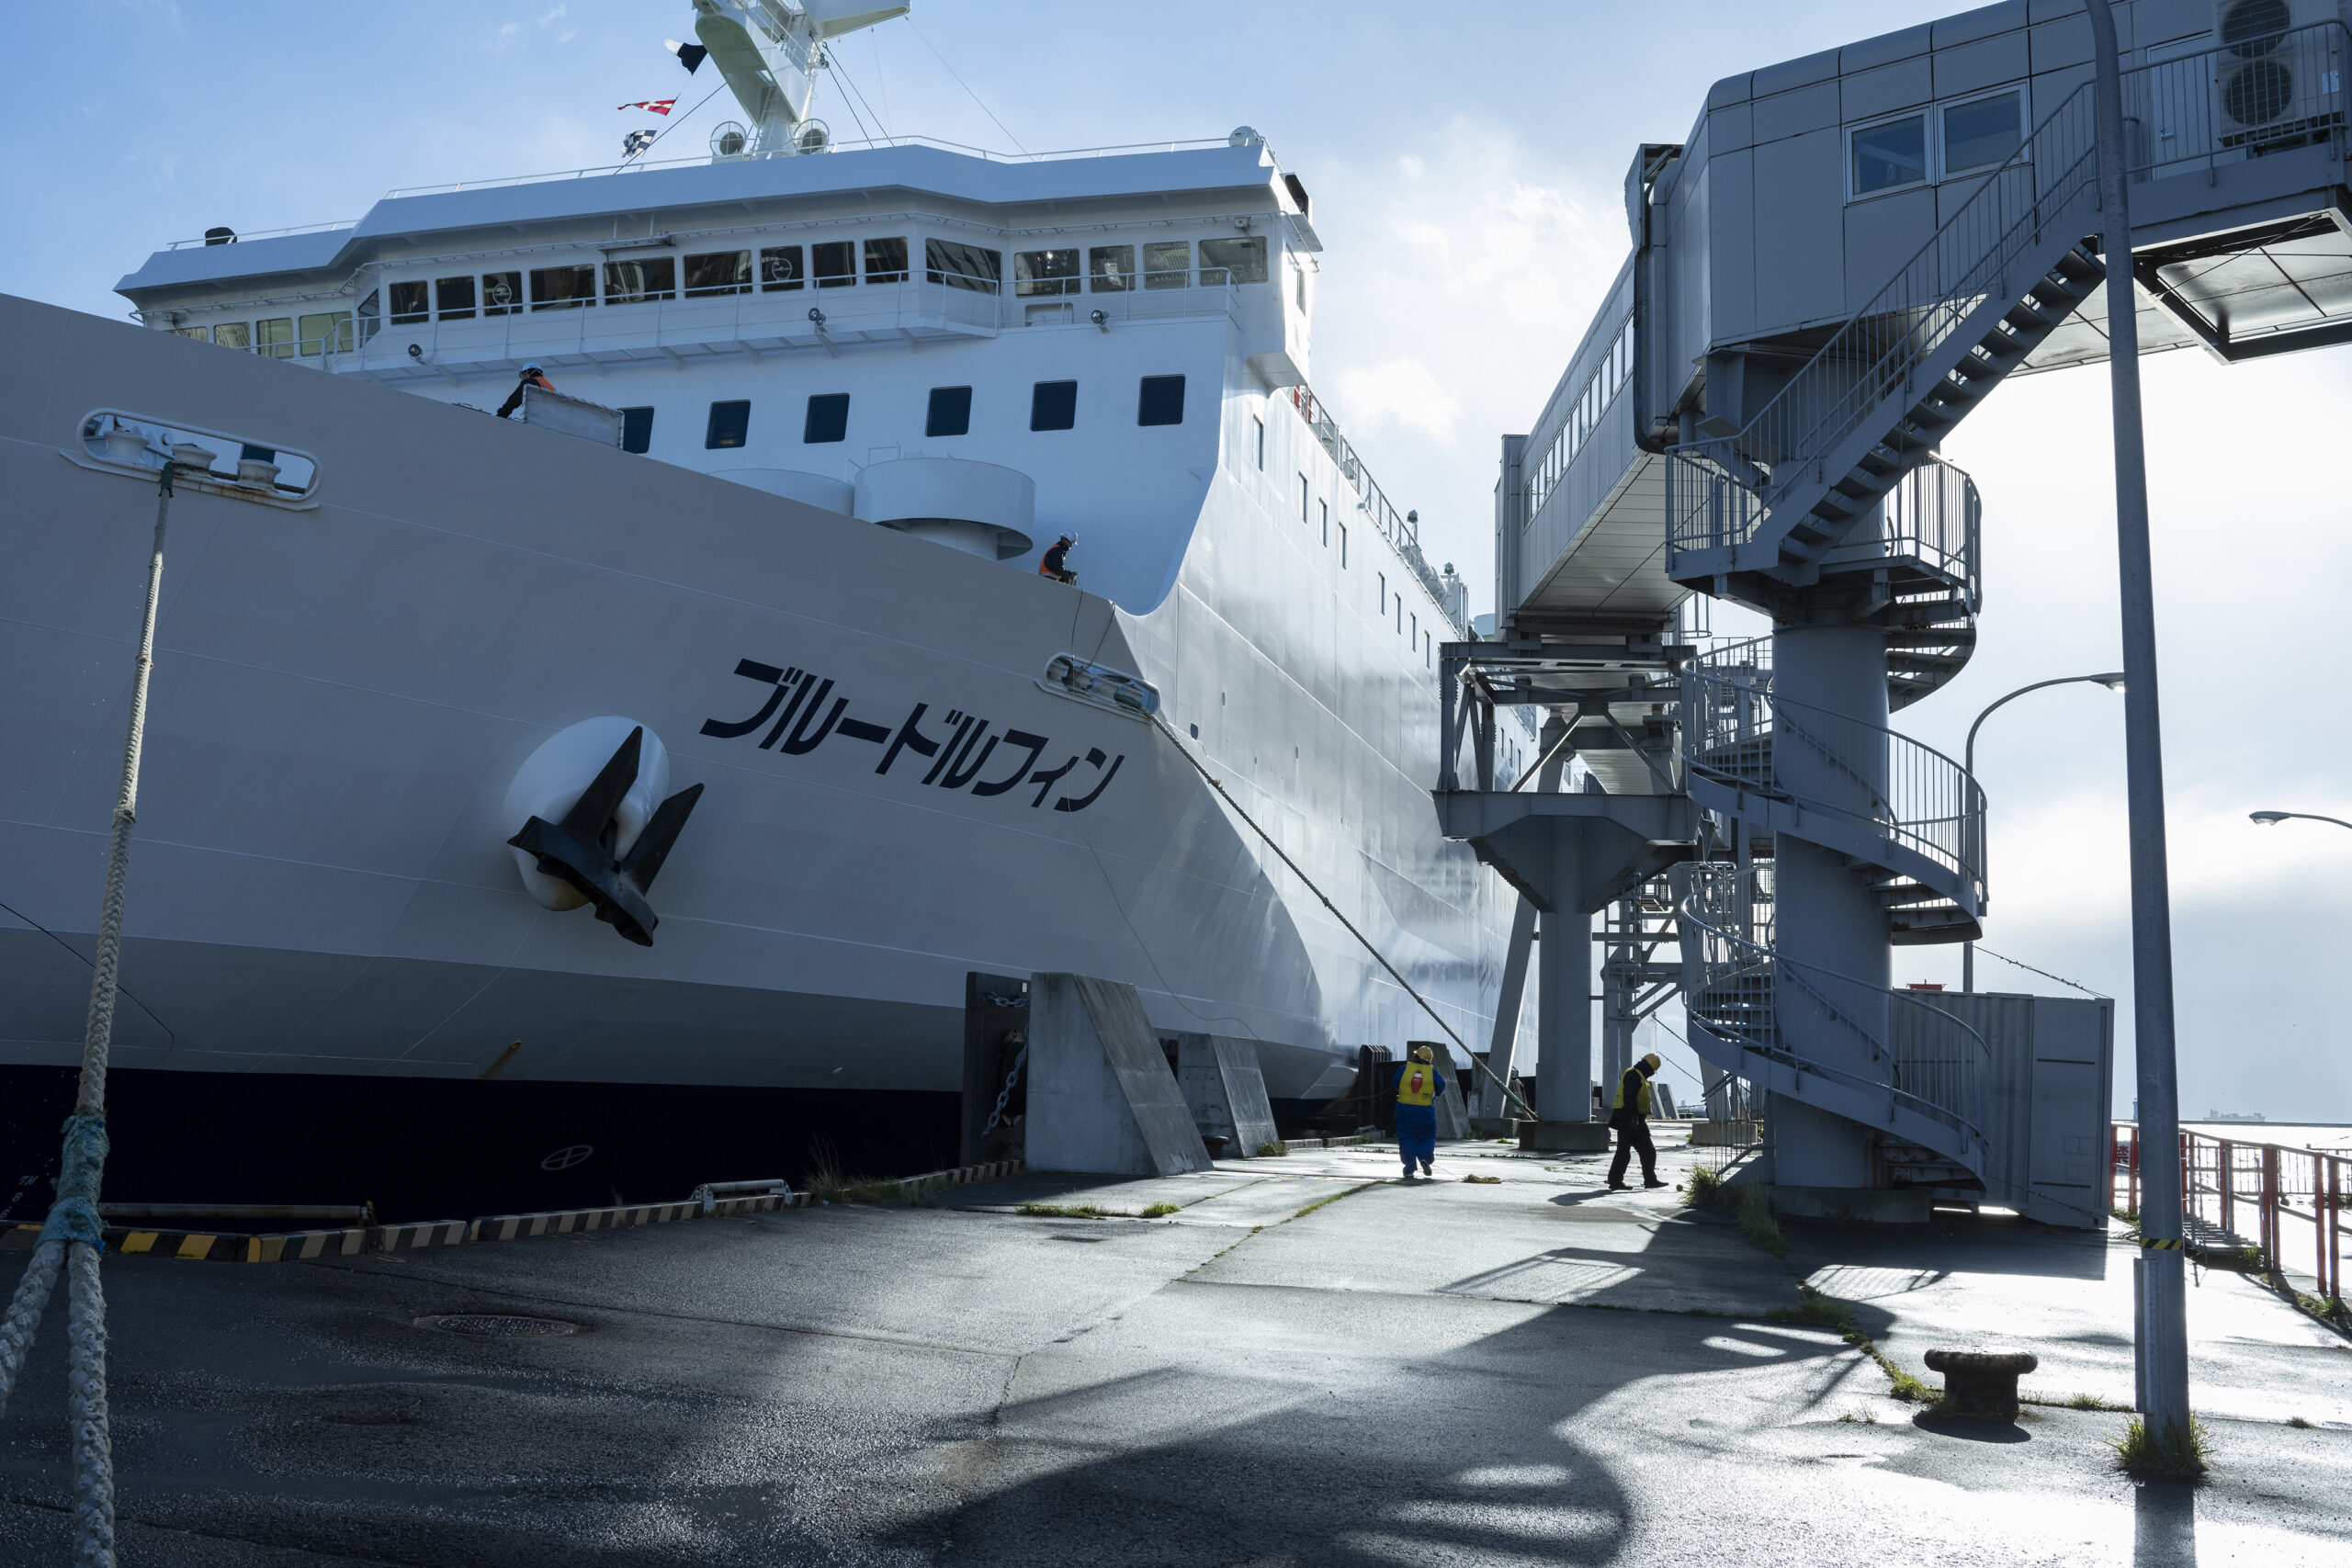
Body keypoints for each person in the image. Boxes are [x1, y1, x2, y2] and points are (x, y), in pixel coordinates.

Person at [1606, 1052, 1668, 1190]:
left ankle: (1650, 1180)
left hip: (1637, 1120)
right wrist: (1633, 1118)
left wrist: (1637, 1120)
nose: (1653, 1073)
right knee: (1623, 1152)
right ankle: (1615, 1181)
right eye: (1653, 1070)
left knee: (1648, 1151)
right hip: (1627, 1119)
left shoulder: (1640, 1077)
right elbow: (1629, 1098)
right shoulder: (1633, 1075)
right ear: (1649, 1067)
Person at [1392, 1044, 1445, 1181]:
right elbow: (1441, 1088)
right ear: (1429, 1060)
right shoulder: (1433, 1073)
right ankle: (1424, 1157)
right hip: (1425, 1111)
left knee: (1406, 1138)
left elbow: (1394, 1083)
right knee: (1427, 1136)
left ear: (1415, 1057)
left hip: (1404, 1110)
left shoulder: (1403, 1070)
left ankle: (1409, 1169)